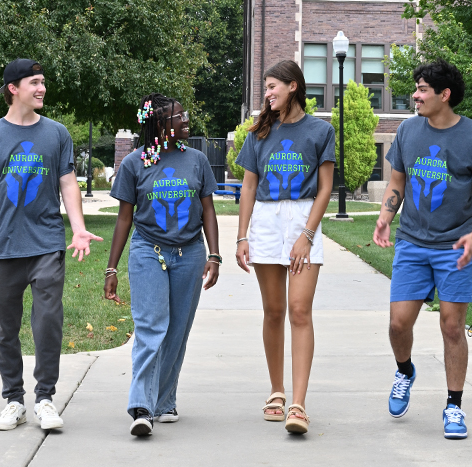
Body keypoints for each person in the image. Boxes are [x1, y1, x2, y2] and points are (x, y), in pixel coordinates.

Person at [0, 58, 102, 431]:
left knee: (47, 321)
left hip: (47, 242)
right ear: (13, 88)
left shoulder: (56, 134)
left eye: (43, 82)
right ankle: (13, 400)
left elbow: (68, 184)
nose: (42, 88)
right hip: (4, 246)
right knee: (5, 328)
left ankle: (45, 398)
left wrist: (78, 227)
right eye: (35, 82)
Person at [372, 59, 472, 439]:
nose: (415, 94)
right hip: (412, 241)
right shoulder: (408, 131)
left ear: (444, 95)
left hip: (455, 245)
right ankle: (405, 370)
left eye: (423, 89)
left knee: (452, 326)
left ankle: (454, 406)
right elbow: (398, 179)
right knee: (398, 323)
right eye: (416, 88)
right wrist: (385, 215)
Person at [104, 94, 220, 437]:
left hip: (190, 252)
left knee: (177, 331)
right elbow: (124, 219)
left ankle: (165, 400)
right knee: (151, 327)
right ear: (157, 124)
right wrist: (111, 269)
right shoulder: (135, 163)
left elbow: (208, 210)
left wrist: (214, 254)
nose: (185, 121)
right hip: (147, 250)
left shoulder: (197, 161)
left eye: (185, 115)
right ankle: (141, 405)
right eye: (178, 117)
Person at [234, 60, 336, 434]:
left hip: (302, 219)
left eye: (273, 86)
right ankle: (276, 391)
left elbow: (325, 188)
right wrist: (242, 235)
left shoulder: (320, 131)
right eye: (266, 87)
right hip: (264, 220)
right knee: (273, 311)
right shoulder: (259, 132)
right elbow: (248, 187)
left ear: (293, 86)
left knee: (299, 310)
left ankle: (298, 404)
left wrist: (306, 235)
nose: (268, 93)